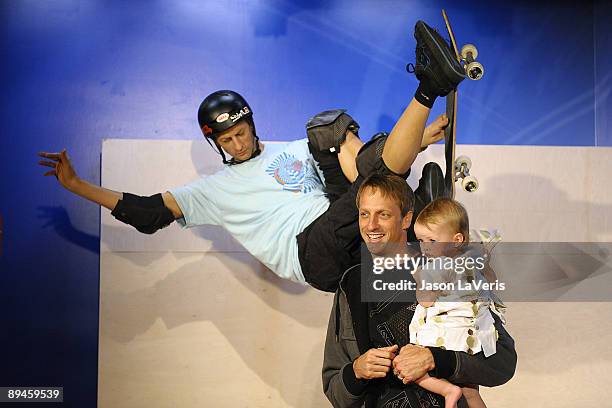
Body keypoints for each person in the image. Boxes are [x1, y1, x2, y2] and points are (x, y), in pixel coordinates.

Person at [38, 20, 465, 292]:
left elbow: (361, 165)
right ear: (216, 144)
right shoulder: (213, 191)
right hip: (312, 254)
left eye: (241, 133)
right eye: (227, 141)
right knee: (347, 163)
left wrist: (422, 138)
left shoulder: (292, 151)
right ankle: (429, 87)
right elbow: (147, 212)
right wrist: (76, 185)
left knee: (329, 133)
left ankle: (418, 222)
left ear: (252, 123)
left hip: (345, 230)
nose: (238, 145)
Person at [322, 174, 516, 407]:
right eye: (365, 214)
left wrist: (436, 359)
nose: (371, 225)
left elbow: (503, 362)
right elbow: (334, 389)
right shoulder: (351, 285)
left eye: (383, 214)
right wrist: (356, 371)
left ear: (406, 219)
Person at [409, 198, 507, 407]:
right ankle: (458, 391)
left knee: (411, 369)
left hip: (445, 336)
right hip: (471, 336)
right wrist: (487, 267)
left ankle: (447, 390)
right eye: (421, 240)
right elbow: (491, 283)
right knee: (471, 392)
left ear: (456, 239)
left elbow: (425, 302)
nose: (425, 247)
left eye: (431, 241)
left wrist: (419, 282)